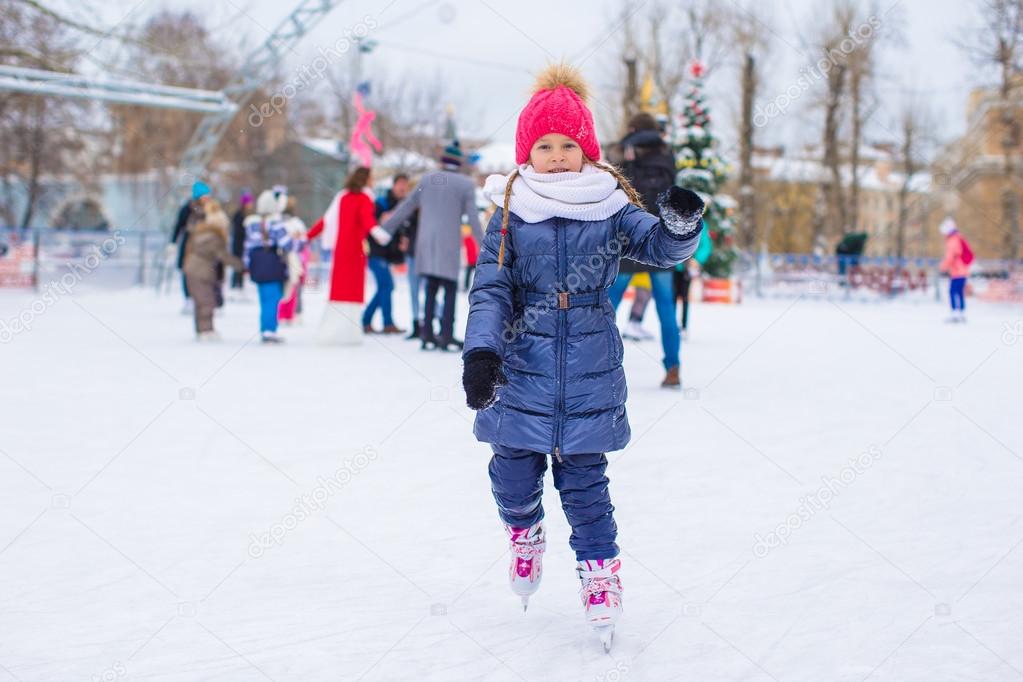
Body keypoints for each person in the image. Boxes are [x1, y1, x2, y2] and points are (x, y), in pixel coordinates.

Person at [460, 64, 704, 647]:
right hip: (520, 367)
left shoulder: (611, 202)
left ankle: (600, 577)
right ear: (527, 152)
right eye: (544, 145)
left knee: (586, 485)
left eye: (569, 144)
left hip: (590, 369)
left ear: (588, 149)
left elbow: (657, 246)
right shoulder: (510, 211)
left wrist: (679, 224)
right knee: (513, 475)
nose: (558, 155)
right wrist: (481, 354)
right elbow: (490, 288)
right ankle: (524, 532)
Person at [380, 140, 483, 351]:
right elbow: (473, 218)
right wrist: (484, 245)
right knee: (450, 289)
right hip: (449, 244)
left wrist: (386, 229)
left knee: (430, 289)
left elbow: (406, 207)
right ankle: (446, 334)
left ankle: (427, 334)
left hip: (425, 243)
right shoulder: (465, 184)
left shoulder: (427, 180)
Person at [607, 112, 684, 388]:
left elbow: (613, 191)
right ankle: (673, 367)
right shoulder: (667, 154)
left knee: (607, 305)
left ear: (633, 128)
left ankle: (598, 363)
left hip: (628, 240)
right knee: (665, 307)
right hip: (660, 240)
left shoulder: (624, 149)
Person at [307, 167, 392, 345]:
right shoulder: (365, 198)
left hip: (340, 249)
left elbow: (326, 220)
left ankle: (332, 332)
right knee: (353, 291)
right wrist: (380, 233)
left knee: (339, 290)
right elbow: (367, 220)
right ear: (366, 179)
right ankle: (349, 334)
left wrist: (308, 235)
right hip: (355, 250)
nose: (373, 181)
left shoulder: (342, 197)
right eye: (371, 178)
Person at [183, 198, 244, 341]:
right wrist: (240, 265)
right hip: (201, 270)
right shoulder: (214, 237)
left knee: (201, 301)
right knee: (206, 301)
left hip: (194, 269)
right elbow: (222, 255)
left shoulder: (201, 232)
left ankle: (202, 329)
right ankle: (206, 330)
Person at [244, 190, 293, 344]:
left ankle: (265, 327)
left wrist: (247, 265)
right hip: (272, 262)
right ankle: (269, 330)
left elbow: (247, 247)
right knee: (273, 298)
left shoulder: (251, 224)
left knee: (264, 298)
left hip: (257, 262)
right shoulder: (276, 223)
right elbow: (287, 244)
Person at [170, 181, 210, 311]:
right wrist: (173, 242)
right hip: (188, 245)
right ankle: (188, 298)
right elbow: (178, 226)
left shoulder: (210, 209)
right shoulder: (187, 209)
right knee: (187, 272)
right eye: (205, 195)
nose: (207, 198)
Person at [278, 195, 309, 325]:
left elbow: (302, 240)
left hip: (294, 259)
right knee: (294, 288)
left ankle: (293, 313)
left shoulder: (287, 223)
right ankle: (293, 314)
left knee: (292, 287)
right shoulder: (294, 223)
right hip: (294, 259)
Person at [939, 217, 972, 323]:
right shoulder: (959, 237)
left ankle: (955, 314)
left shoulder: (952, 240)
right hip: (963, 270)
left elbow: (950, 256)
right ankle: (961, 313)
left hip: (957, 271)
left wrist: (943, 267)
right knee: (959, 292)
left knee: (953, 292)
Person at [230, 191, 253, 291]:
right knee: (238, 265)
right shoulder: (239, 215)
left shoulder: (244, 214)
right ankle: (236, 285)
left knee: (240, 265)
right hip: (238, 244)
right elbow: (239, 231)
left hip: (241, 243)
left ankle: (239, 285)